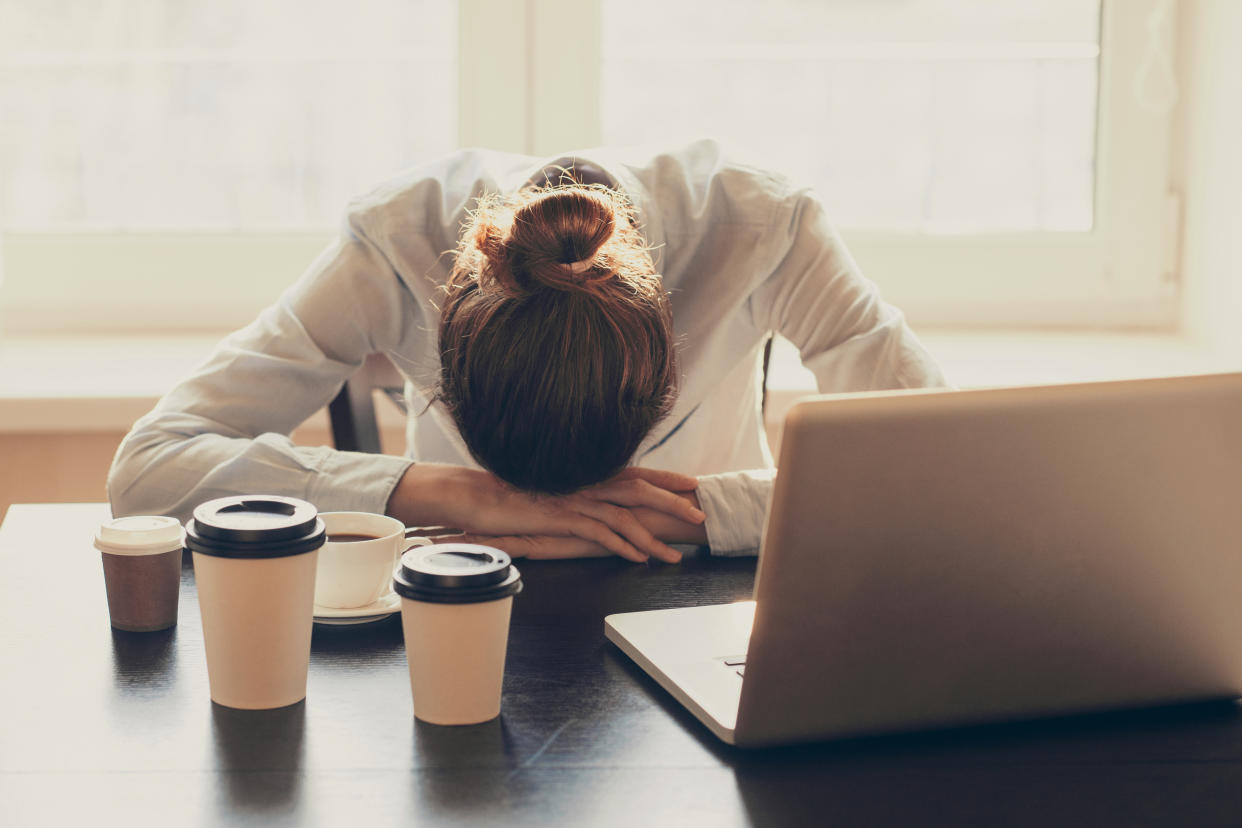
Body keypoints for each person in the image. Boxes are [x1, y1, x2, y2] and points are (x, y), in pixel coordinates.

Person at [108, 139, 947, 562]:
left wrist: (693, 513)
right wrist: (452, 494)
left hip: (701, 592)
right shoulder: (398, 237)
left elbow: (948, 471)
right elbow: (150, 468)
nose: (573, 511)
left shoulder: (767, 227)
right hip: (466, 574)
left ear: (664, 357)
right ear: (448, 351)